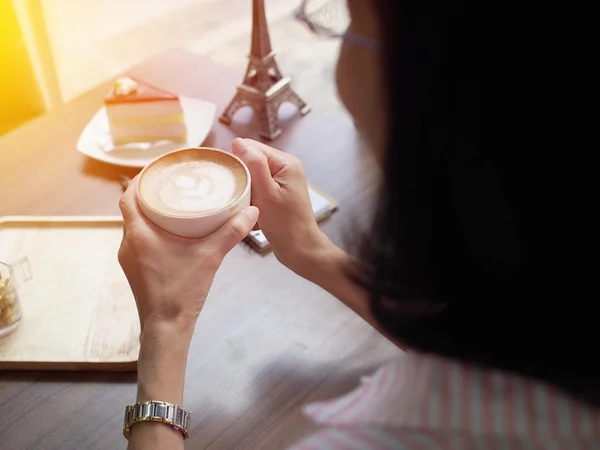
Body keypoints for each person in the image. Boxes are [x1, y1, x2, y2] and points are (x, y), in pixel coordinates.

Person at [118, 0, 600, 448]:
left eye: (351, 22)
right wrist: (312, 251)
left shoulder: (376, 436)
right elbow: (498, 352)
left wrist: (166, 328)